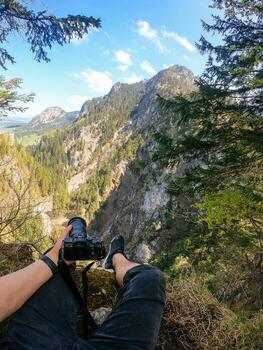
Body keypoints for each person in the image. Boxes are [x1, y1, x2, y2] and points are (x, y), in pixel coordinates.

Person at [0, 225, 165, 349]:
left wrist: (54, 257)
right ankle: (117, 258)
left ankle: (110, 258)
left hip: (31, 343)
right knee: (149, 277)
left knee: (60, 259)